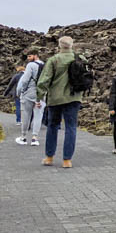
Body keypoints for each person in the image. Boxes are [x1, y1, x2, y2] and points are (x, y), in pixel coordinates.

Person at [37, 36, 89, 168]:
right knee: (71, 127)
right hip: (74, 98)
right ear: (72, 45)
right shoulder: (80, 59)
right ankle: (67, 160)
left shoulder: (53, 60)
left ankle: (49, 157)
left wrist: (39, 97)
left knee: (53, 126)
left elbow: (44, 80)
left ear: (60, 45)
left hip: (55, 98)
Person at [15, 52, 45, 146]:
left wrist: (20, 92)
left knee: (26, 115)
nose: (28, 58)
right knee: (38, 116)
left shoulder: (31, 65)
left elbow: (25, 80)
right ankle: (34, 138)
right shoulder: (45, 65)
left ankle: (23, 137)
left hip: (29, 93)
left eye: (30, 56)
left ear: (36, 55)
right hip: (41, 94)